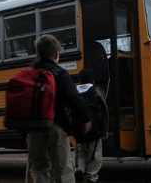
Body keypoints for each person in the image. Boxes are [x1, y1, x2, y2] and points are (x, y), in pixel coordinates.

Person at [26, 34, 92, 183]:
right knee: (63, 168)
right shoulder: (60, 73)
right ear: (56, 54)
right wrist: (86, 118)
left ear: (37, 54)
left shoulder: (28, 75)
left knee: (37, 167)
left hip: (34, 128)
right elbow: (74, 98)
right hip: (56, 125)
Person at [74, 69, 108, 183]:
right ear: (92, 80)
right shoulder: (96, 91)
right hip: (95, 130)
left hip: (80, 131)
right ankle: (91, 176)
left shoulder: (74, 92)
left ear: (79, 80)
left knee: (81, 150)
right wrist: (105, 129)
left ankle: (79, 169)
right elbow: (104, 110)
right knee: (95, 154)